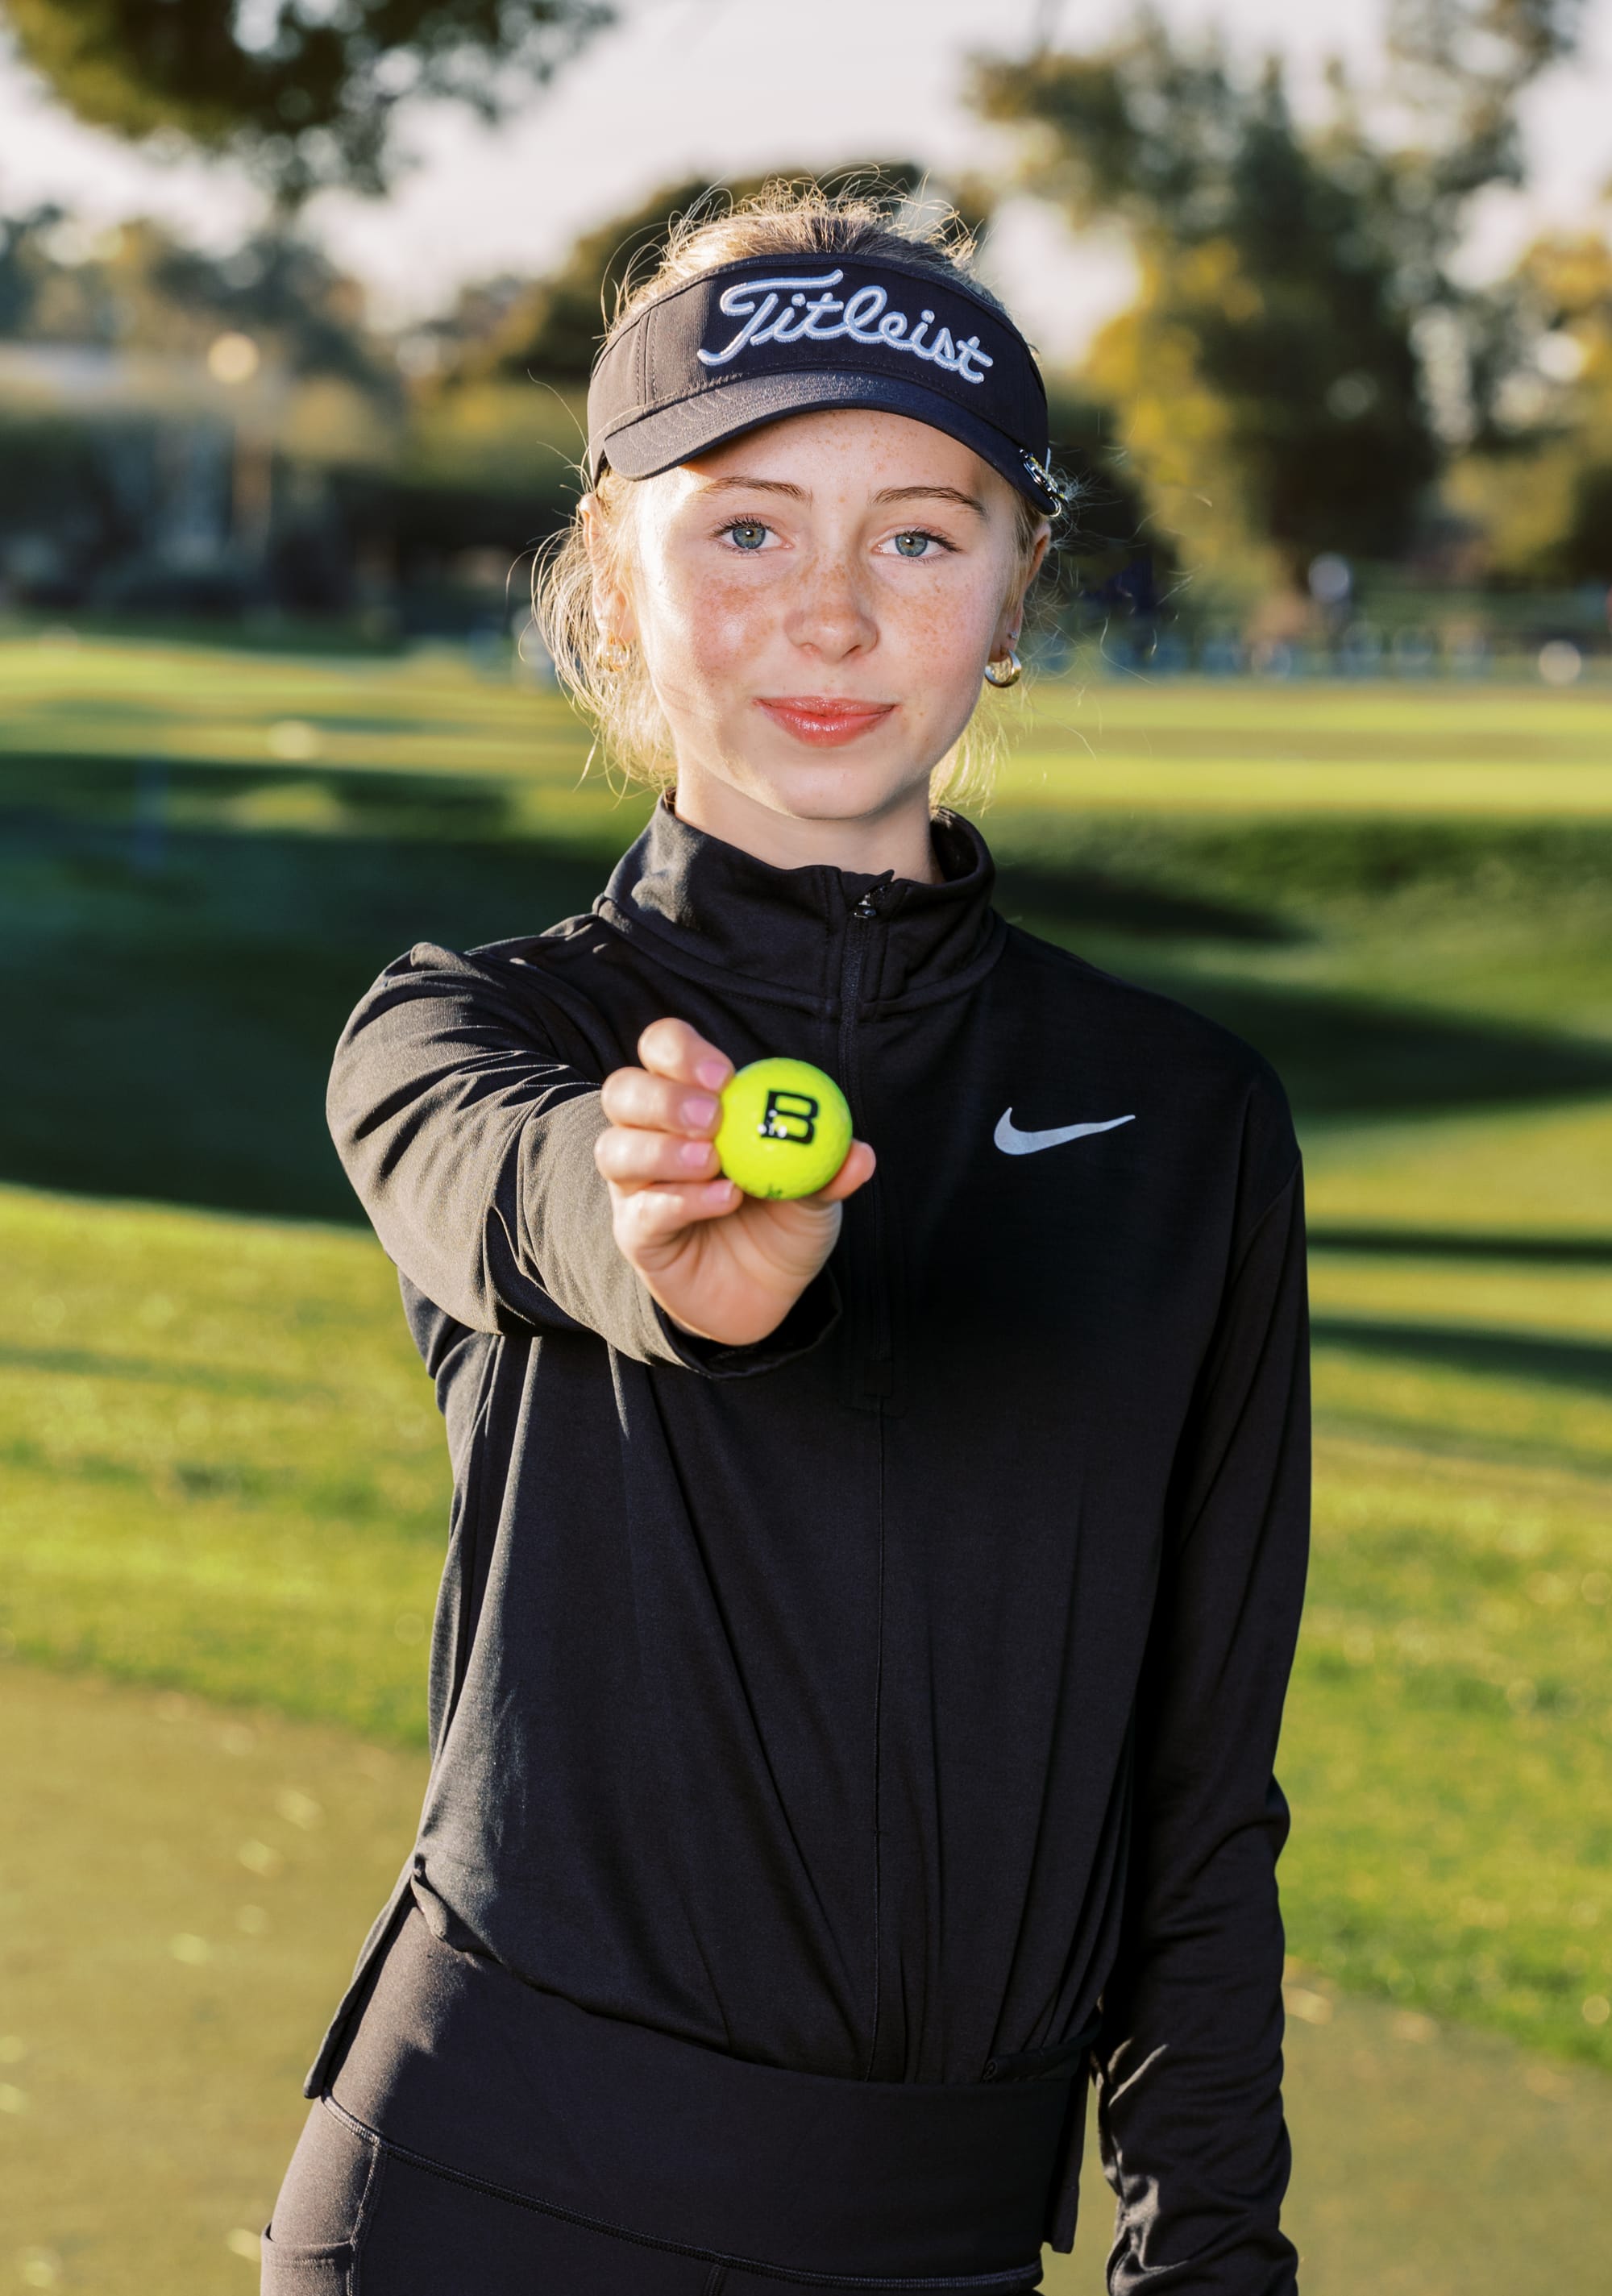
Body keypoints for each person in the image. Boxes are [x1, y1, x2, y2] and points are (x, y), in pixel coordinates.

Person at [261, 184, 1310, 2296]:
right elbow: (517, 1190)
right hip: (489, 2210)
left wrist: (1211, 2261)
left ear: (1012, 591)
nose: (832, 616)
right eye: (747, 529)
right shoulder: (464, 1034)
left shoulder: (1187, 1121)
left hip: (942, 2245)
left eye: (919, 536)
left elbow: (1202, 1795)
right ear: (613, 578)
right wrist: (658, 1247)